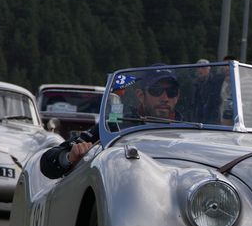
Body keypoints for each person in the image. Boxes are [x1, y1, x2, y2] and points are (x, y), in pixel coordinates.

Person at [40, 68, 180, 179]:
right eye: (157, 91)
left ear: (177, 96)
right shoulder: (116, 126)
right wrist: (70, 157)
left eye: (171, 92)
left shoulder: (193, 132)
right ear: (140, 95)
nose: (165, 98)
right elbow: (48, 162)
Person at [190, 59, 222, 124]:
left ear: (208, 69)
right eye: (198, 67)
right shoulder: (193, 83)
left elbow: (217, 102)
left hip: (211, 119)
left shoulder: (215, 83)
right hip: (196, 119)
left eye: (203, 67)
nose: (200, 70)